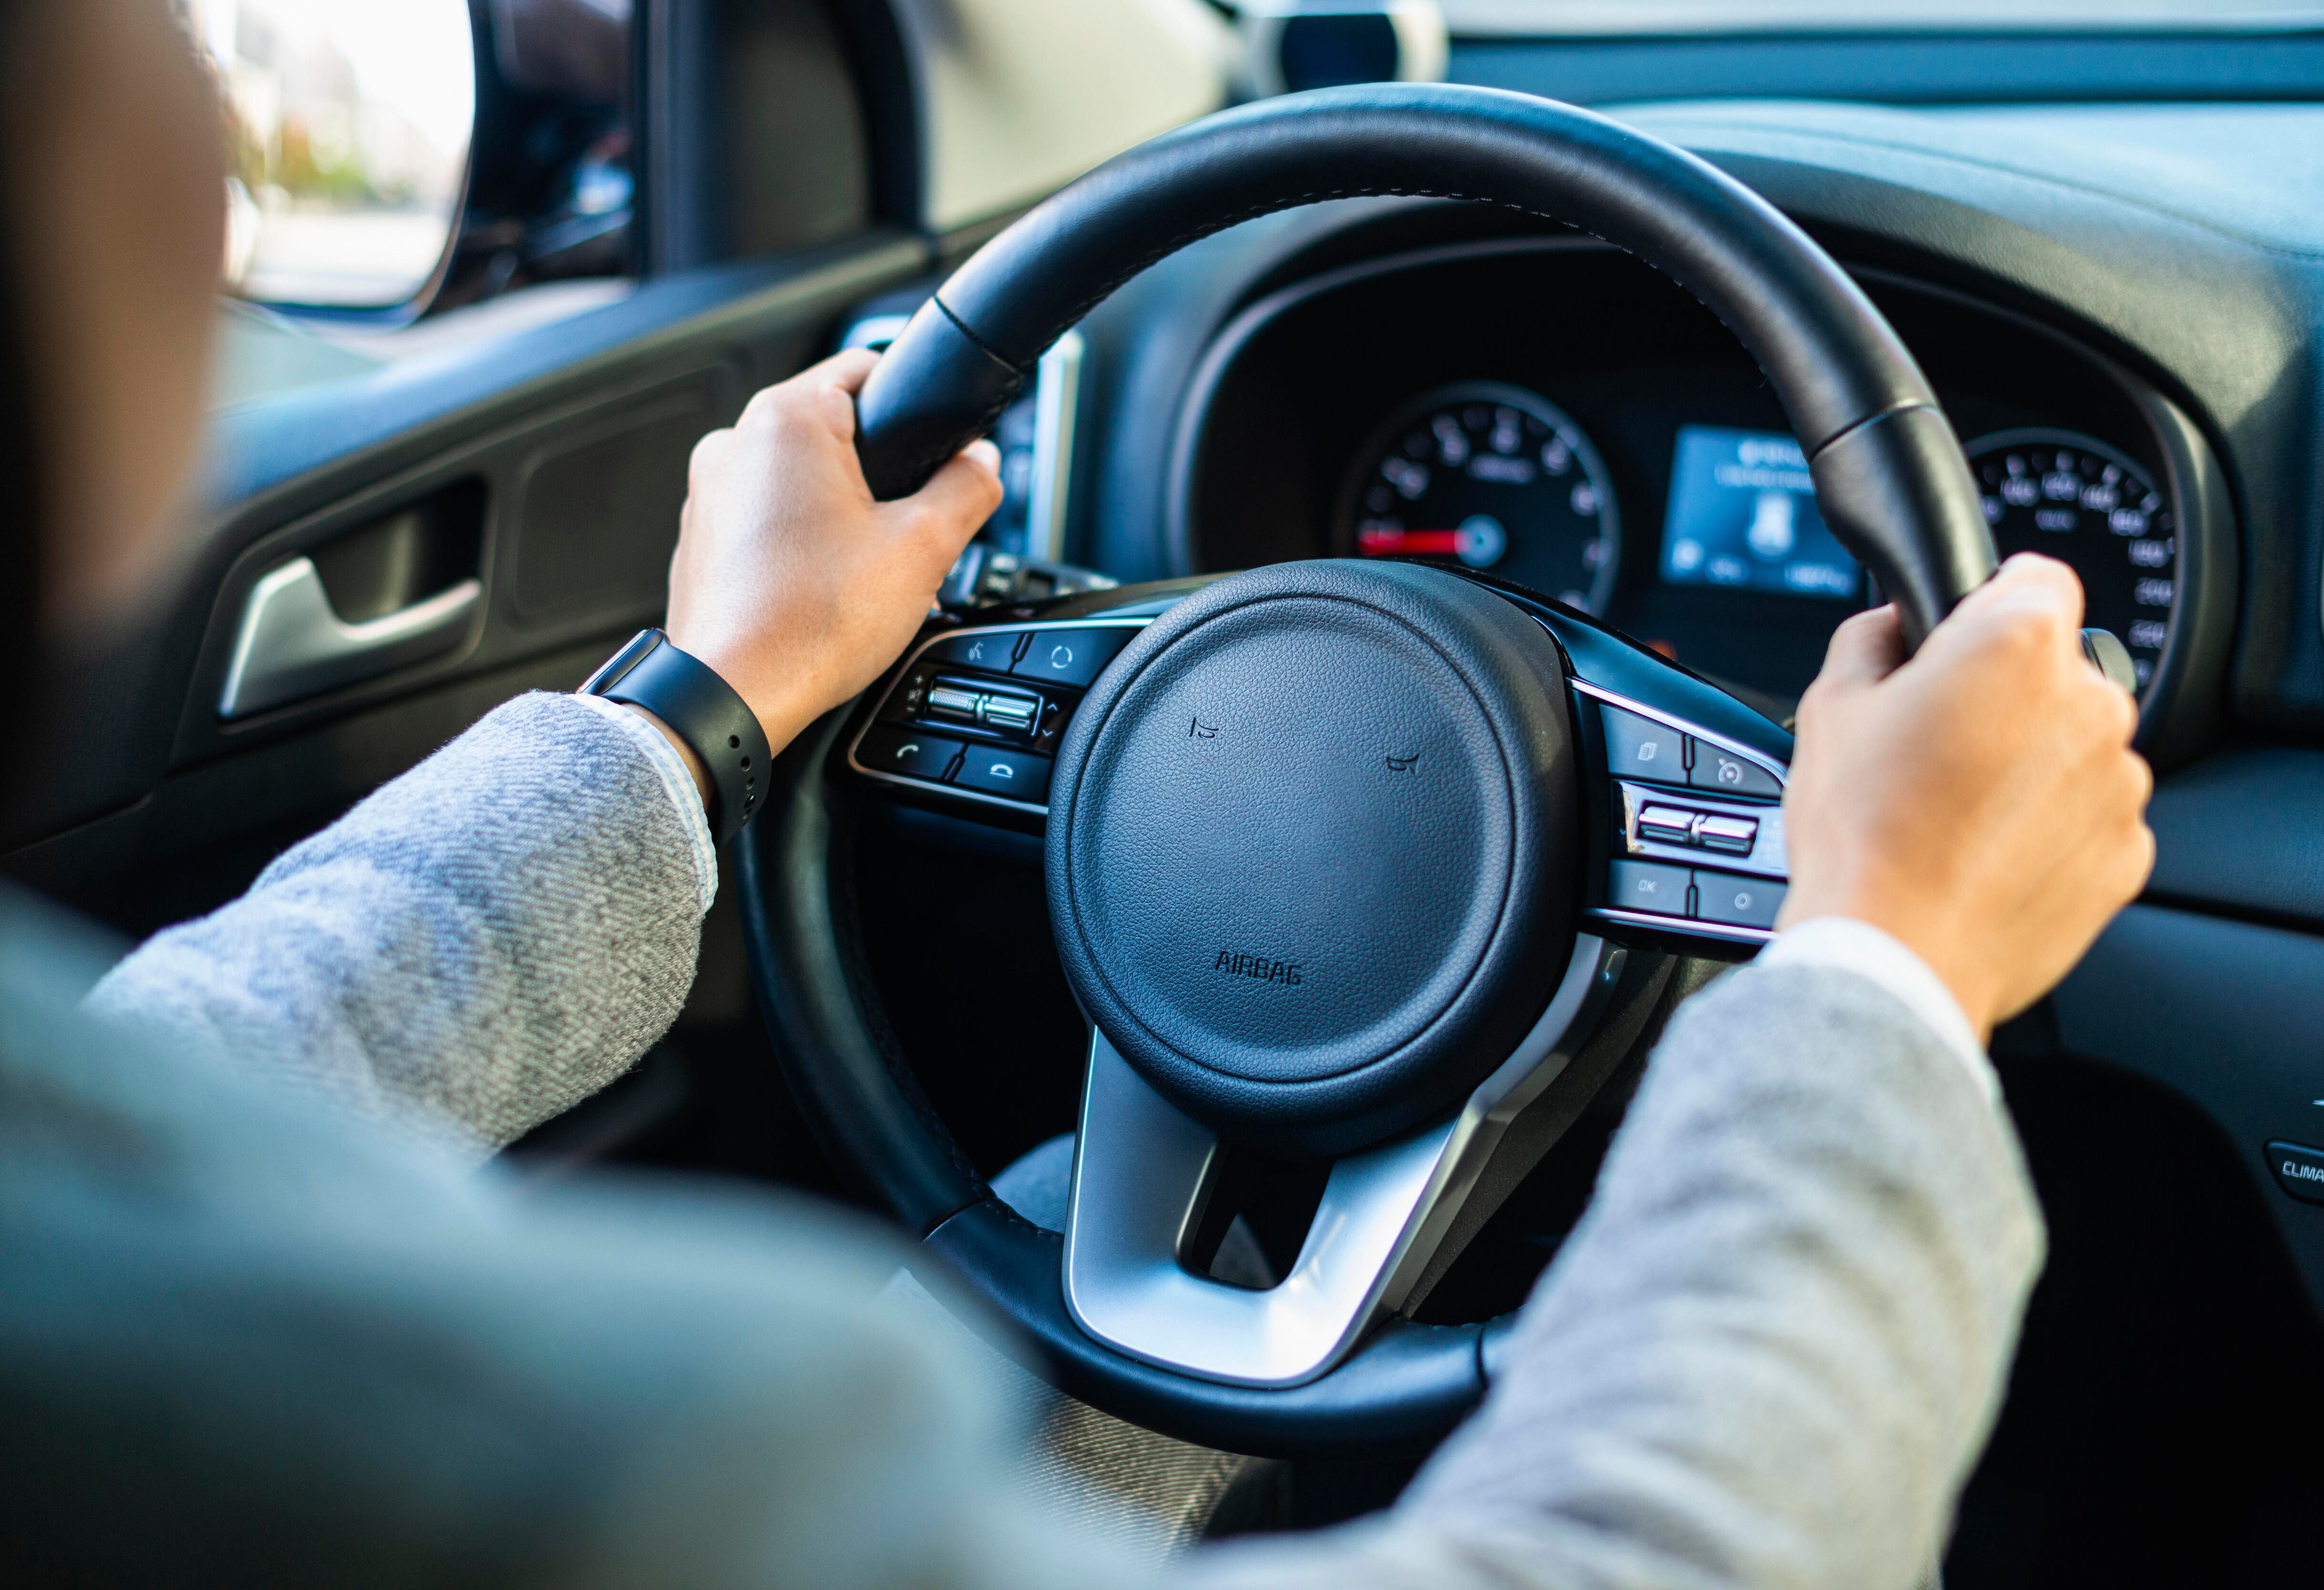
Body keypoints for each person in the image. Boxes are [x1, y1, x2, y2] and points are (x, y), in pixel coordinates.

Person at [0, 1, 2155, 1586]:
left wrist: (711, 698)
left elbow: (217, 1058)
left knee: (1050, 1234)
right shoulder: (605, 1471)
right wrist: (1876, 963)